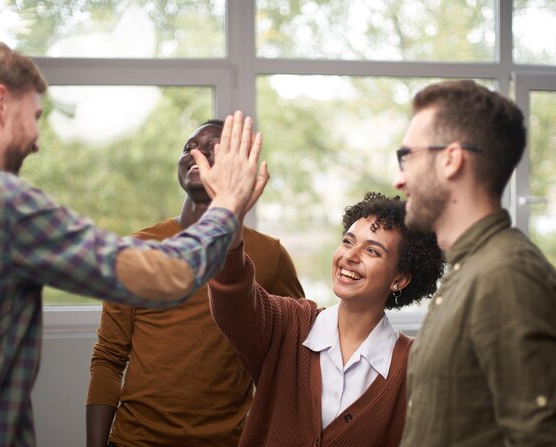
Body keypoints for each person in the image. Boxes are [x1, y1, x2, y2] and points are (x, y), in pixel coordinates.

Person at [0, 39, 268, 446]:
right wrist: (229, 204)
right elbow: (168, 273)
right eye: (33, 116)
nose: (37, 140)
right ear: (0, 102)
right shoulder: (2, 203)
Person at [85, 119, 305, 447]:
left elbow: (293, 354)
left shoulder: (269, 255)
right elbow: (109, 357)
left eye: (212, 149)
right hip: (135, 440)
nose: (195, 154)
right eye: (189, 147)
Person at [208, 191, 444, 446]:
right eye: (348, 241)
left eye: (372, 251)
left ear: (399, 280)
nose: (350, 256)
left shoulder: (415, 368)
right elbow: (233, 299)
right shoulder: (288, 324)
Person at [393, 79, 556, 446]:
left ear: (451, 158)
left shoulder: (507, 275)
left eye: (407, 157)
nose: (399, 178)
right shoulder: (471, 269)